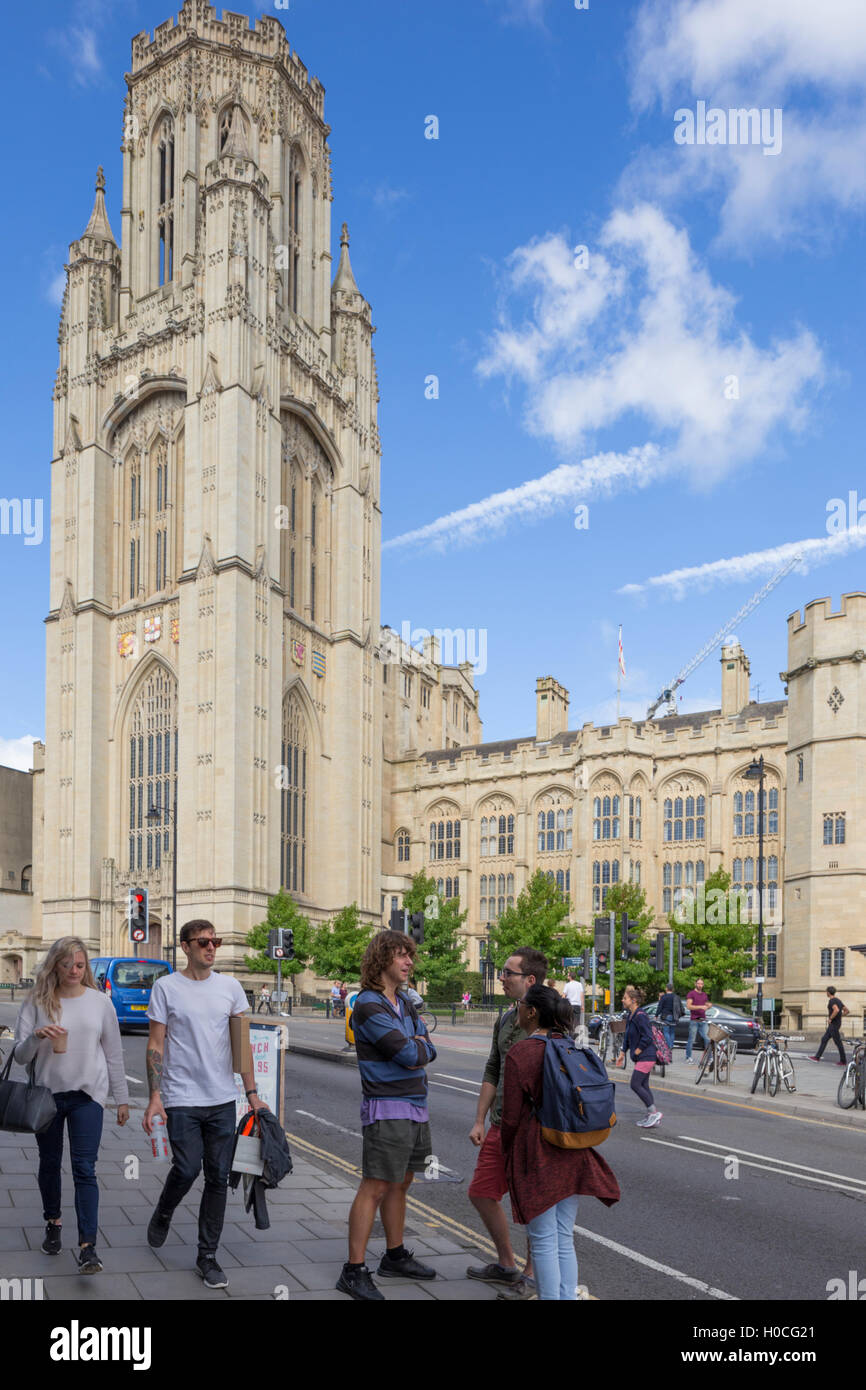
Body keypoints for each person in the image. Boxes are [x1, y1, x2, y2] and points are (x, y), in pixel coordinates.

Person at [143, 920, 268, 1289]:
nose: (211, 947)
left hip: (221, 1100)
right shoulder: (166, 988)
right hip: (181, 1097)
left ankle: (207, 1256)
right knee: (185, 1168)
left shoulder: (230, 988)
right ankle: (165, 1210)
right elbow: (155, 1044)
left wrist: (251, 1093)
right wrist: (154, 1097)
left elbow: (241, 1043)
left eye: (216, 941)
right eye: (203, 942)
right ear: (185, 946)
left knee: (217, 1177)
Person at [13, 937, 129, 1273]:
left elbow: (113, 1054)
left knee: (84, 1168)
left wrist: (122, 1099)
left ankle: (88, 1247)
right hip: (45, 1096)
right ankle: (53, 1222)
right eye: (68, 965)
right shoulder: (36, 1001)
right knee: (49, 1163)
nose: (75, 971)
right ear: (55, 966)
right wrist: (37, 1036)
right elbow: (20, 1058)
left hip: (88, 1095)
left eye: (80, 965)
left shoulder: (100, 1002)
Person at [500, 985, 620, 1299]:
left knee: (541, 1239)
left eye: (521, 1004)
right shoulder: (573, 1046)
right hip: (574, 1148)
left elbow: (511, 1117)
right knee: (563, 1236)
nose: (517, 1008)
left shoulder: (521, 1052)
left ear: (532, 1012)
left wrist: (507, 1153)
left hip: (538, 1151)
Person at [337, 930, 437, 1301]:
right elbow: (410, 1054)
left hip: (415, 1105)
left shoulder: (404, 1003)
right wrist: (418, 1046)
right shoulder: (369, 1004)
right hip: (387, 1107)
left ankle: (394, 1255)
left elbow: (428, 1046)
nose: (409, 962)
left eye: (410, 955)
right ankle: (353, 1270)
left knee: (402, 1183)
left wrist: (419, 1045)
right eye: (401, 955)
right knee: (376, 1185)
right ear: (382, 961)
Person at [466, 946, 548, 1300]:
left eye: (507, 973)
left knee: (531, 1202)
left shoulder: (549, 1020)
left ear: (529, 980)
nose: (501, 978)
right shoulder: (504, 1018)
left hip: (533, 1131)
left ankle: (530, 1276)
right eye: (501, 972)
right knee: (481, 1192)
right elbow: (493, 1070)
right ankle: (505, 1264)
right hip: (500, 1127)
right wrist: (480, 1119)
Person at [615, 985, 661, 1127]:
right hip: (642, 1057)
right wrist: (623, 1053)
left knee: (635, 1084)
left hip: (647, 1056)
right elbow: (628, 1037)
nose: (623, 1000)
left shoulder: (641, 1016)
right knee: (644, 1085)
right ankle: (651, 1115)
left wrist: (637, 1051)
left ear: (633, 1000)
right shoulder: (631, 1015)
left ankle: (654, 1113)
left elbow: (648, 1037)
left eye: (625, 998)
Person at [809, 986, 849, 1065]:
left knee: (838, 1042)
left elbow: (836, 1010)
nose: (826, 993)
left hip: (833, 1024)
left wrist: (830, 1018)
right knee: (824, 1039)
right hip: (836, 1024)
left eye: (826, 992)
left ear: (828, 992)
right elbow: (847, 1011)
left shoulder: (832, 1001)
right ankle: (817, 1057)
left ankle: (843, 1061)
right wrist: (840, 1016)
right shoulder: (838, 1000)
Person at [684, 977, 710, 1063]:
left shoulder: (704, 994)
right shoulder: (691, 994)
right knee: (691, 1039)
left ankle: (709, 1057)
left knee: (707, 1039)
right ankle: (688, 1057)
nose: (700, 985)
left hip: (703, 1019)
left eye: (701, 984)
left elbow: (706, 1004)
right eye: (698, 983)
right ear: (695, 984)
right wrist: (700, 1006)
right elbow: (688, 1006)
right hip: (694, 1020)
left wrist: (709, 1005)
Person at [657, 984, 682, 1059]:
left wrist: (656, 1015)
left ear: (666, 989)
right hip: (674, 1017)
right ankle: (671, 1045)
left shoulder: (664, 997)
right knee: (672, 1032)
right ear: (672, 989)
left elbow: (660, 1006)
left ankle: (669, 1046)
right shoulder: (676, 997)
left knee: (666, 1032)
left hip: (666, 1016)